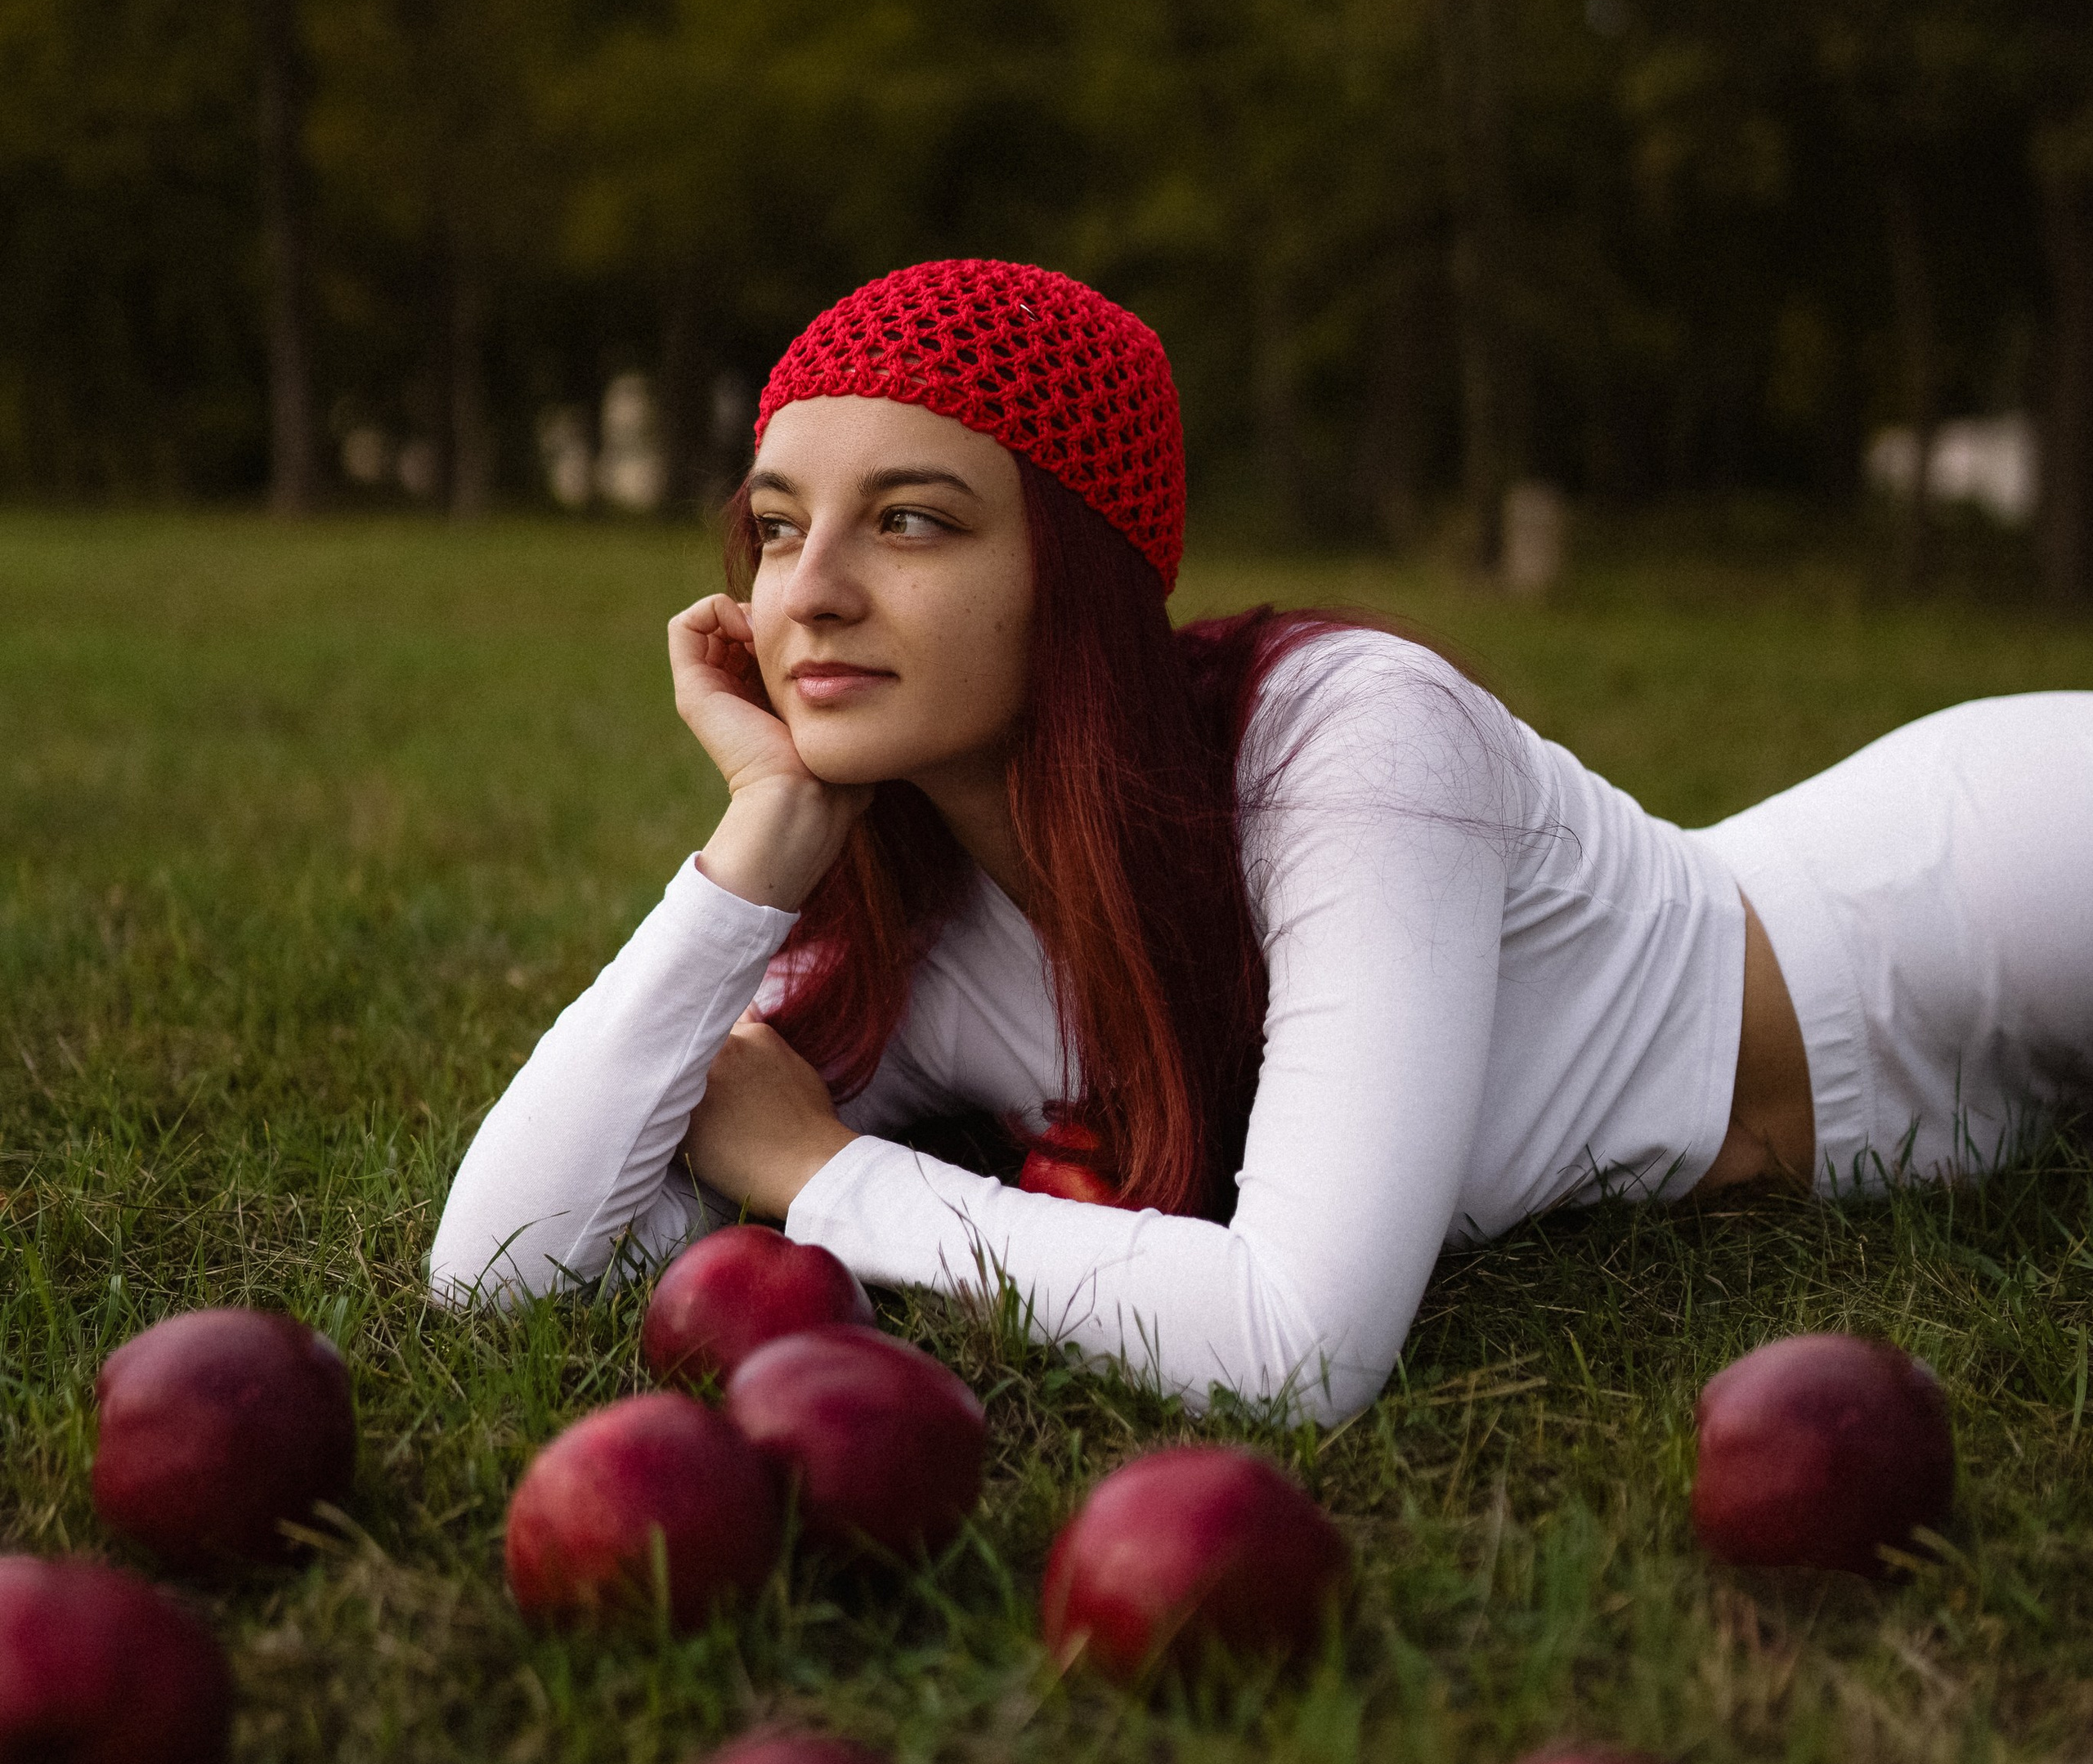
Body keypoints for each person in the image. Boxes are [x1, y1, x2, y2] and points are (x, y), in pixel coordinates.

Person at [430, 258, 2093, 1425]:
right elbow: (498, 1274)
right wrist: (758, 843)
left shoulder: (1347, 735)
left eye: (912, 520)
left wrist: (829, 1180)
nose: (809, 595)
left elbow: (1297, 1348)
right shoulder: (898, 931)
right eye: (778, 530)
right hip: (1907, 1139)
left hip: (1950, 906)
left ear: (1071, 579)